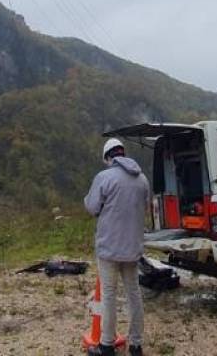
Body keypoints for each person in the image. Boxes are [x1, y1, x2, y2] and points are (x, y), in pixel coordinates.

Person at [83, 138, 150, 356]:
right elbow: (144, 207)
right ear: (122, 153)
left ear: (109, 157)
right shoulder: (142, 180)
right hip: (132, 249)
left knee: (109, 295)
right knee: (134, 294)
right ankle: (136, 345)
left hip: (109, 249)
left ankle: (106, 345)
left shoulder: (104, 177)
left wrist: (88, 199)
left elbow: (92, 208)